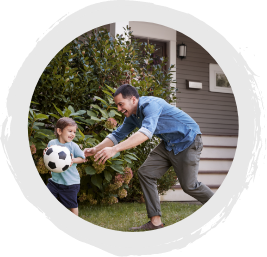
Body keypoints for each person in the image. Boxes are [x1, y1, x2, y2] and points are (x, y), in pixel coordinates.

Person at [84, 84, 214, 230]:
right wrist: (95, 149)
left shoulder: (150, 105)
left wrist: (115, 149)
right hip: (169, 143)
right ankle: (155, 223)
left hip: (188, 140)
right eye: (117, 105)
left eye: (121, 104)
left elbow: (145, 134)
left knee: (189, 186)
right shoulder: (132, 116)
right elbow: (116, 135)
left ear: (133, 99)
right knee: (146, 173)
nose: (119, 109)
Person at [44, 117, 85, 216]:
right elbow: (48, 156)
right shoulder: (52, 144)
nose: (72, 134)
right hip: (55, 181)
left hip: (70, 183)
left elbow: (82, 158)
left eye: (74, 132)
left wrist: (73, 160)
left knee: (72, 204)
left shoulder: (73, 146)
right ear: (59, 131)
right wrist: (45, 153)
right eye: (70, 131)